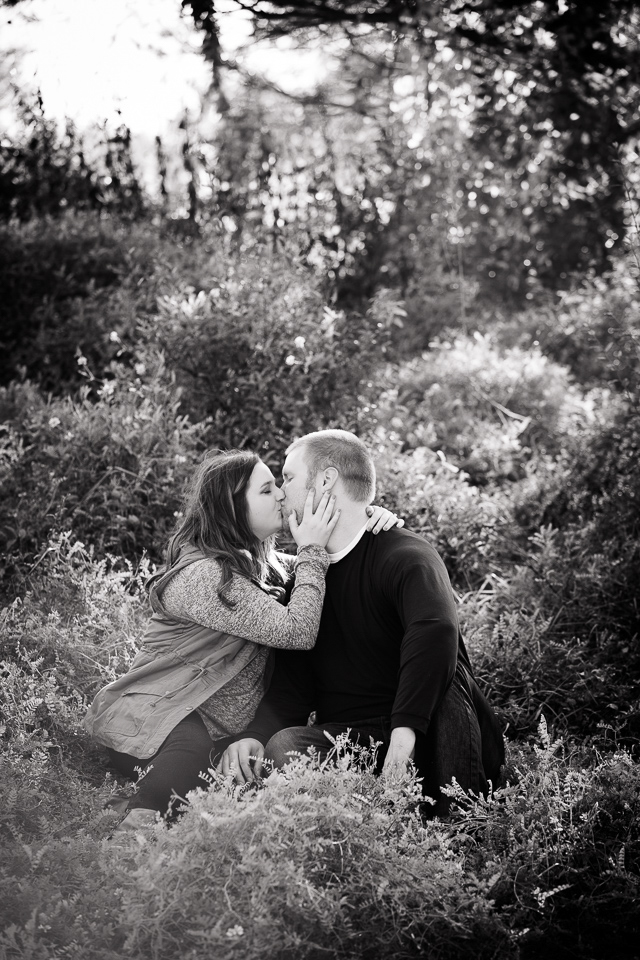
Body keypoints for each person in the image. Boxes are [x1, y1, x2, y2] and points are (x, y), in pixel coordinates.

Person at [84, 448, 401, 832]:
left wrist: (368, 521)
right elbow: (296, 630)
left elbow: (316, 572)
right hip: (152, 718)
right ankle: (134, 831)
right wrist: (312, 549)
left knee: (229, 781)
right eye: (267, 491)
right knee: (192, 749)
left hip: (218, 729)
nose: (282, 495)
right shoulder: (205, 578)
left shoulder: (263, 564)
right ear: (232, 509)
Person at [219, 430, 505, 816]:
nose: (282, 493)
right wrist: (253, 736)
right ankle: (372, 818)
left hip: (431, 731)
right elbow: (291, 688)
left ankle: (461, 821)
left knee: (446, 675)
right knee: (285, 746)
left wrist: (404, 740)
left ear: (325, 480)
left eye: (287, 477)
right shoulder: (306, 582)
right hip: (359, 743)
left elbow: (435, 631)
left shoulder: (406, 554)